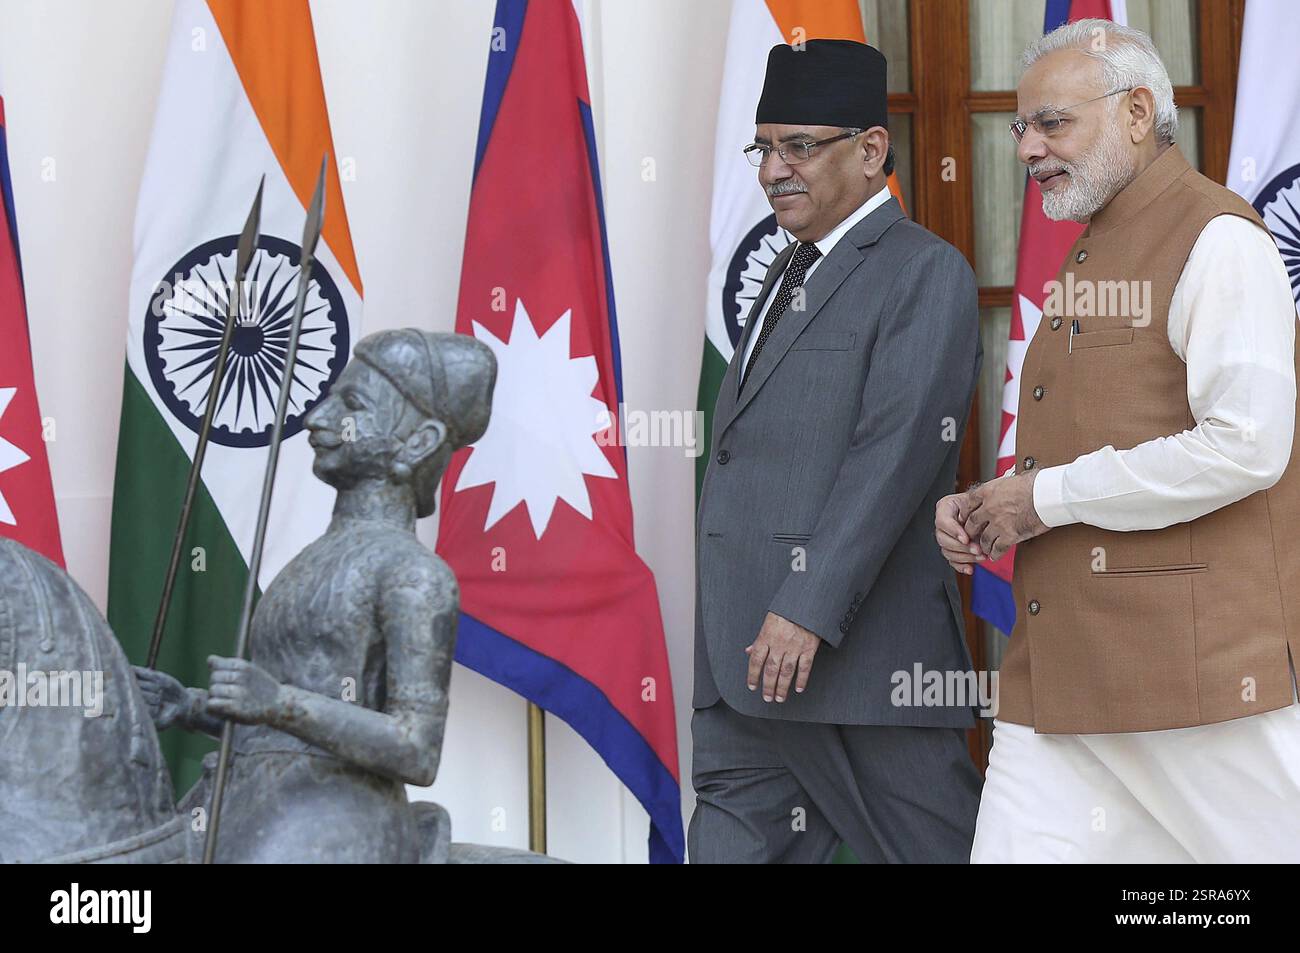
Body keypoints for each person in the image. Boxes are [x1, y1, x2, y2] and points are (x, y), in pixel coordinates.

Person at [936, 19, 1300, 862]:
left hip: (1196, 680)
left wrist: (1043, 498)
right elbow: (1100, 430)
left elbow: (1246, 445)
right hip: (1055, 683)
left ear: (1139, 112)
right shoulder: (1093, 246)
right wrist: (991, 508)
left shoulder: (1220, 239)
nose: (1027, 147)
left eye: (1052, 123)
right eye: (1020, 126)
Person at [691, 38, 983, 864]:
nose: (772, 170)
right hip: (740, 668)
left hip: (862, 672)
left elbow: (889, 458)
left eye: (799, 146)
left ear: (870, 151)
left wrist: (804, 607)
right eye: (764, 147)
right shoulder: (788, 270)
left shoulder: (924, 271)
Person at [136, 330, 496, 862]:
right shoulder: (309, 561)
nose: (315, 418)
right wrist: (190, 705)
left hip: (331, 820)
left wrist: (280, 702)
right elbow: (275, 733)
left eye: (350, 405)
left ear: (418, 440)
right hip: (248, 802)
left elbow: (417, 748)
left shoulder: (415, 574)